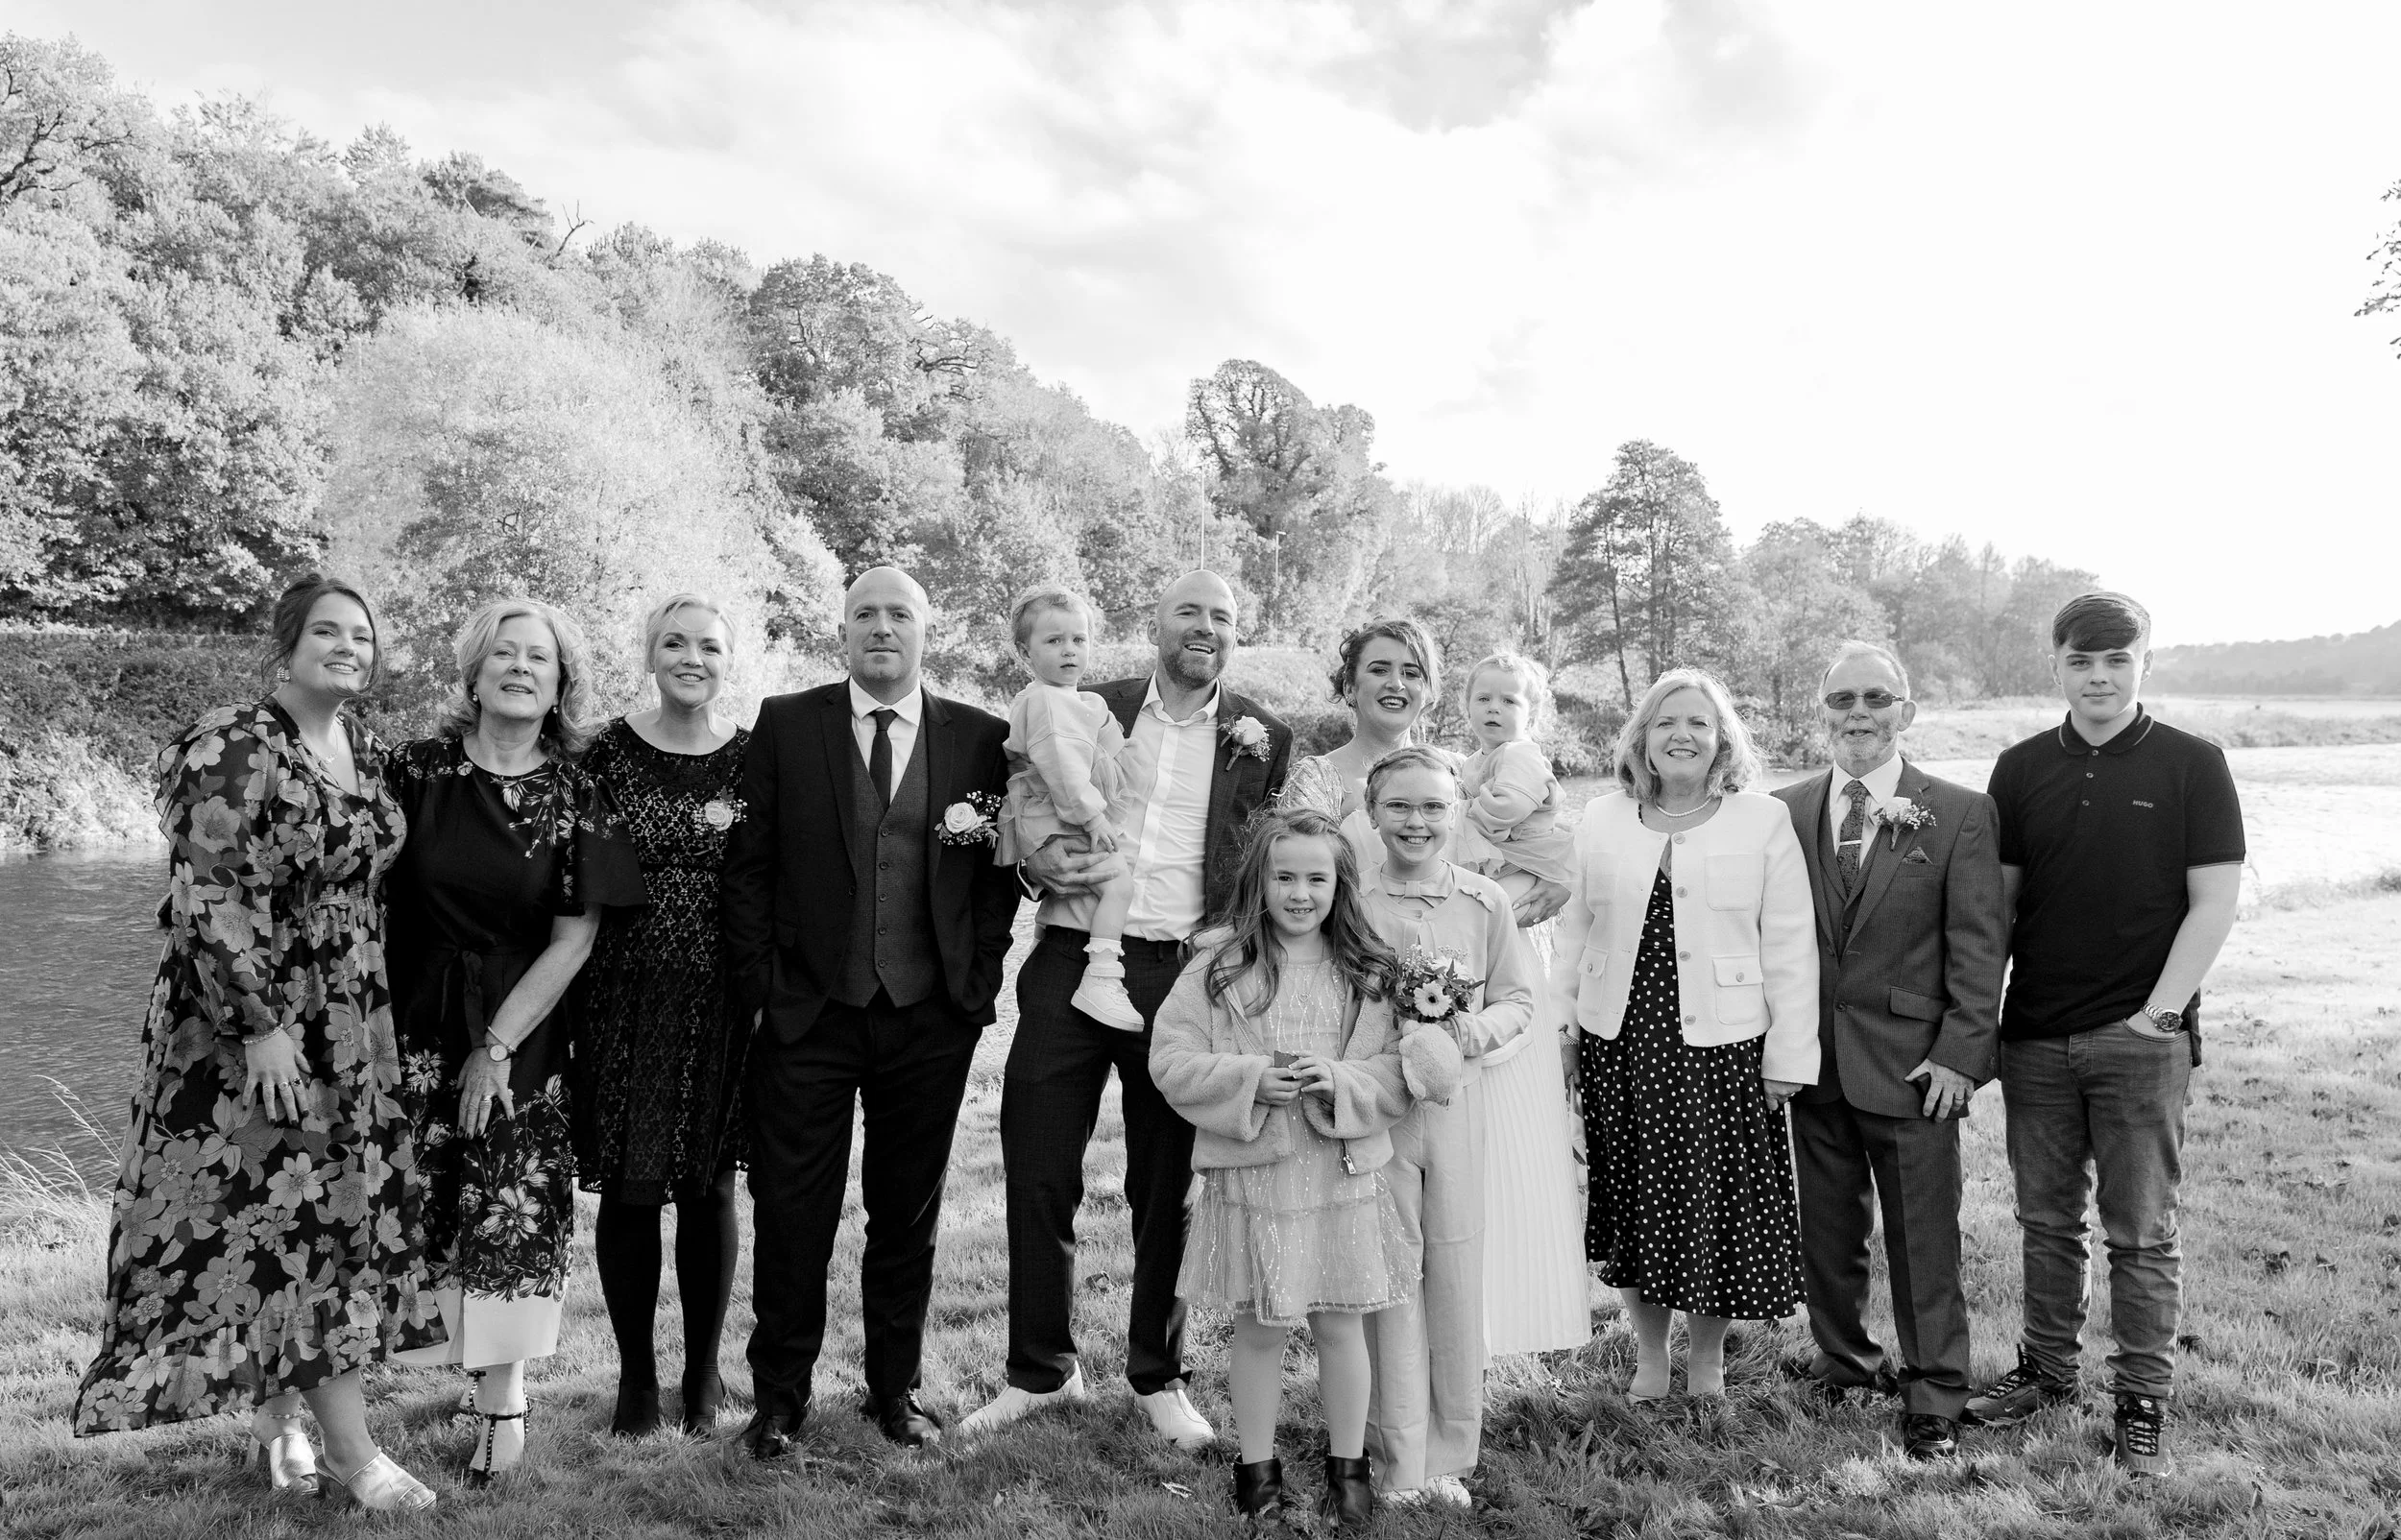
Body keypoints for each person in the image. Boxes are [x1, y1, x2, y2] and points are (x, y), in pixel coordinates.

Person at [72, 575, 442, 1513]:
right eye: (328, 630)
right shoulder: (236, 738)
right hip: (248, 1024)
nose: (348, 645)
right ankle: (355, 1454)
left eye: (362, 633)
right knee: (286, 1224)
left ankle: (280, 1426)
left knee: (299, 1226)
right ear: (288, 643)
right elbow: (207, 888)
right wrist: (263, 1026)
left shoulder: (363, 747)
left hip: (350, 1021)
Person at [963, 570, 1292, 1451]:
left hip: (1183, 976)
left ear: (1236, 633)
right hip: (1073, 959)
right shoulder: (1085, 699)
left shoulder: (1263, 738)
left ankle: (1157, 1373)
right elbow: (1022, 796)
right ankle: (1039, 1371)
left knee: (1165, 1185)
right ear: (1153, 622)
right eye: (1187, 610)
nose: (1205, 627)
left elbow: (1265, 861)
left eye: (1222, 616)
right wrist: (1039, 864)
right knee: (1037, 1168)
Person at [719, 566, 1020, 1456]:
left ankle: (895, 1391)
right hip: (808, 1014)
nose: (881, 628)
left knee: (906, 1214)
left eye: (899, 614)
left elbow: (998, 873)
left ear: (928, 632)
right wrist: (766, 996)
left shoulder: (981, 738)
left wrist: (978, 981)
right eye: (864, 615)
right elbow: (747, 868)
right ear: (842, 633)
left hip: (930, 1016)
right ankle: (778, 1401)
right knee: (793, 1211)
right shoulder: (785, 723)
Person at [1964, 591, 2243, 1478]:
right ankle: (2046, 1374)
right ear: (2056, 667)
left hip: (2141, 1040)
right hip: (2037, 1036)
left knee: (2142, 1233)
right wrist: (1985, 1020)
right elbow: (1999, 909)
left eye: (2117, 660)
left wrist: (2160, 1016)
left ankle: (2141, 1403)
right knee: (2047, 1222)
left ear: (2145, 665)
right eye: (2082, 661)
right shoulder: (2017, 768)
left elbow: (2215, 902)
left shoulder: (2194, 764)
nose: (2099, 676)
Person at [385, 598, 643, 1485]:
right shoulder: (412, 771)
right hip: (413, 1016)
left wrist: (494, 1047)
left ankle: (505, 1400)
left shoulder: (576, 789)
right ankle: (453, 1361)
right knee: (425, 1196)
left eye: (539, 657)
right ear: (472, 672)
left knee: (511, 1199)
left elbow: (576, 936)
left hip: (521, 1022)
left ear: (561, 680)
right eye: (503, 654)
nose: (520, 668)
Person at [1151, 807, 1464, 1531]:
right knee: (1259, 1326)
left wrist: (1344, 1084)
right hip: (1255, 1179)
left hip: (1341, 1176)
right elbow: (1169, 1058)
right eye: (1283, 876)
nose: (1299, 893)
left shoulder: (1371, 973)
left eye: (1316, 878)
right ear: (1258, 882)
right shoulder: (1220, 967)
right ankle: (1256, 1472)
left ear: (1339, 883)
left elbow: (1396, 1072)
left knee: (1340, 1326)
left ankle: (1347, 1470)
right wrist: (1248, 1079)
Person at [1551, 667, 1817, 1403]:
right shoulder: (1601, 818)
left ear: (1722, 739)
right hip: (1623, 1041)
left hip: (1726, 1049)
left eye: (1700, 722)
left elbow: (1789, 943)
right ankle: (1648, 1355)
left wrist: (1788, 1053)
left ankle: (1707, 1361)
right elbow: (1573, 932)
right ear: (1642, 737)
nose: (1683, 735)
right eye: (1667, 721)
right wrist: (1562, 1028)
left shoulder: (1761, 820)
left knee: (1713, 1206)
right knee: (1637, 1197)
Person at [1771, 641, 2004, 1461]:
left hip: (1914, 1065)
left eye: (1876, 698)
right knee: (1826, 1230)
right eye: (1842, 700)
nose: (1859, 713)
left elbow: (1980, 948)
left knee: (1922, 1234)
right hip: (1811, 1060)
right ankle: (1845, 1360)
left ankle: (1936, 1388)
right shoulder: (1784, 810)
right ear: (1822, 711)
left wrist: (1960, 1056)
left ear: (1906, 709)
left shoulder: (1959, 811)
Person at [572, 594, 754, 1438]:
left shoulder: (756, 760)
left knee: (710, 1183)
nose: (692, 657)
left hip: (723, 997)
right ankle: (638, 1381)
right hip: (622, 992)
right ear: (649, 655)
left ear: (729, 660)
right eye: (674, 643)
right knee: (634, 1186)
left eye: (708, 646)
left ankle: (704, 1375)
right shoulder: (603, 751)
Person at [1352, 747, 1546, 1506]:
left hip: (1458, 1111)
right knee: (1389, 1274)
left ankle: (1451, 1450)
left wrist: (1472, 1032)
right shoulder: (1352, 902)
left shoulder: (1484, 902)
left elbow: (1519, 1002)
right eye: (1400, 806)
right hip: (1377, 1115)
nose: (1417, 821)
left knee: (1456, 1270)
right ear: (1373, 814)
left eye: (1433, 806)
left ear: (1456, 813)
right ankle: (1395, 1451)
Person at [995, 586, 1139, 1029]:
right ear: (1026, 651)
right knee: (1117, 884)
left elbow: (1115, 752)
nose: (1069, 651)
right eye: (1053, 641)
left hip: (1060, 811)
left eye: (1079, 639)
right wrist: (1093, 817)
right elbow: (1063, 770)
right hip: (1059, 813)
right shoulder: (1047, 703)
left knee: (1086, 887)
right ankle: (1102, 976)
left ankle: (1044, 942)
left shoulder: (1079, 700)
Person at [1452, 653, 1578, 907]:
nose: (1493, 707)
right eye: (1483, 699)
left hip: (1531, 861)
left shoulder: (1521, 754)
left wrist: (1455, 816)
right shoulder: (1472, 761)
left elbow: (1507, 808)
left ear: (1531, 717)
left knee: (1491, 911)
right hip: (1504, 857)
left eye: (1509, 701)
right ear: (1468, 709)